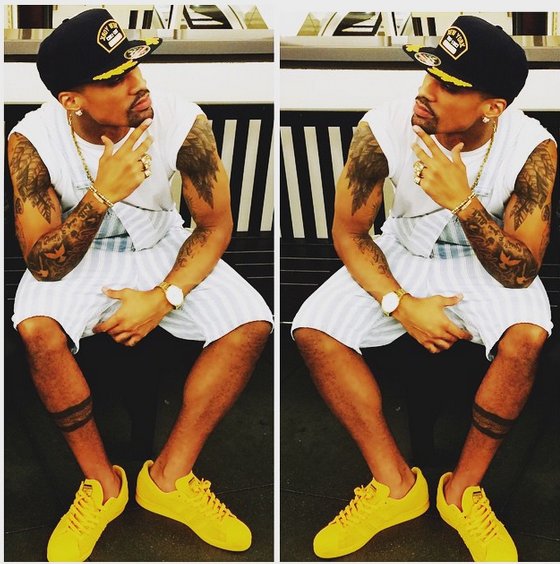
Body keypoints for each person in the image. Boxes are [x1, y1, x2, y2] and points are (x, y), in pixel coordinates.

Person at [7, 9, 273, 562]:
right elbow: (44, 265)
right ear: (72, 100)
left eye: (134, 66)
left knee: (251, 324)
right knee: (36, 332)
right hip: (78, 256)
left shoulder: (182, 121)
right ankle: (101, 485)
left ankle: (170, 479)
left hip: (161, 245)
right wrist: (101, 195)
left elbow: (215, 225)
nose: (138, 84)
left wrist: (165, 297)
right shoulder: (30, 140)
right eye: (115, 78)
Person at [292, 15, 557, 562]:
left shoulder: (534, 146)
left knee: (527, 338)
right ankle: (394, 486)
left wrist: (463, 202)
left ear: (492, 107)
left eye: (450, 86)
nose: (426, 91)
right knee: (313, 329)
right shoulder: (382, 128)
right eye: (429, 73)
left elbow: (521, 270)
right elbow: (349, 232)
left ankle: (463, 492)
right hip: (402, 253)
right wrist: (400, 304)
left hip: (487, 264)